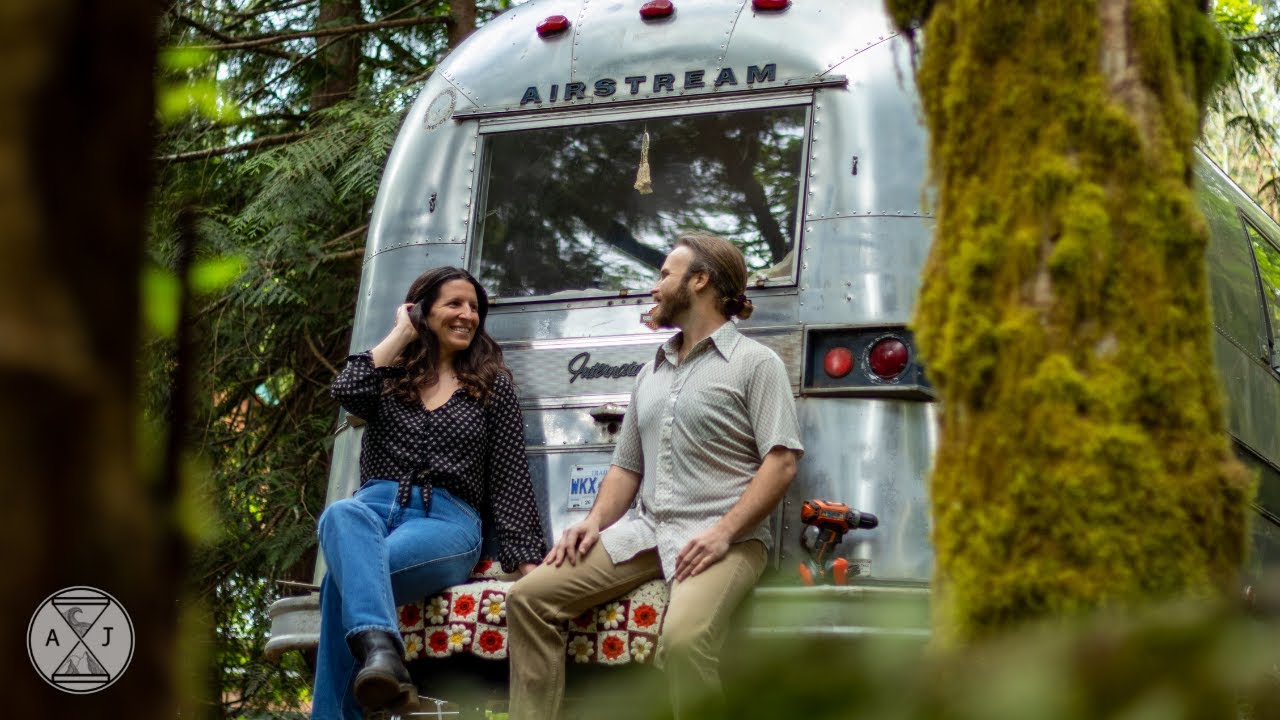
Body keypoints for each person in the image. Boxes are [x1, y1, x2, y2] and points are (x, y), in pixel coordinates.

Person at [506, 232, 804, 720]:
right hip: (647, 530)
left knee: (685, 642)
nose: (654, 286)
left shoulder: (756, 363)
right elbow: (627, 467)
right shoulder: (652, 371)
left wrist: (723, 533)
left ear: (700, 281)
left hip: (725, 538)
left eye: (666, 274)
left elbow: (782, 461)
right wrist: (594, 522)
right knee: (528, 598)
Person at [313, 266, 547, 720]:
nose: (467, 315)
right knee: (341, 513)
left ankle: (376, 666)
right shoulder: (389, 375)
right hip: (372, 509)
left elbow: (510, 477)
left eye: (474, 307)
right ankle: (383, 654)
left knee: (337, 586)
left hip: (445, 520)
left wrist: (528, 564)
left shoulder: (492, 385)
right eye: (454, 304)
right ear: (423, 311)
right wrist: (402, 330)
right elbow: (347, 391)